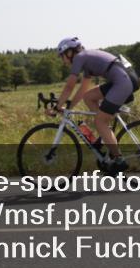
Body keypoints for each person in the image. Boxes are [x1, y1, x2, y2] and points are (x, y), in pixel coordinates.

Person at [49, 36, 134, 173]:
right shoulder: (85, 60)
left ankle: (119, 160)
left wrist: (58, 106)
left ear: (69, 52)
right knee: (89, 97)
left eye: (62, 56)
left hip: (122, 83)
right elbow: (83, 90)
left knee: (99, 121)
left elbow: (69, 87)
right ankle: (104, 135)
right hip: (120, 80)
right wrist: (68, 108)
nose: (62, 60)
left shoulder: (79, 58)